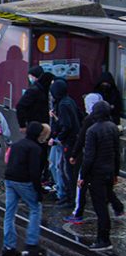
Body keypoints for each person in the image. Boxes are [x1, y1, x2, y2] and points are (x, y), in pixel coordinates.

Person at [2, 121, 49, 256]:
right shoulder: (35, 148)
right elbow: (34, 172)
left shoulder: (17, 145)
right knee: (35, 208)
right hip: (24, 181)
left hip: (10, 179)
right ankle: (31, 243)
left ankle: (9, 246)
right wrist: (38, 190)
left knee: (9, 212)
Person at [79, 100, 121, 251]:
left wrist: (83, 176)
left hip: (96, 173)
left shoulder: (92, 131)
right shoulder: (113, 128)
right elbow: (117, 153)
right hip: (109, 171)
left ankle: (103, 239)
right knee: (105, 201)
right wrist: (115, 173)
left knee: (100, 207)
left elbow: (88, 157)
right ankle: (104, 237)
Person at [48, 78, 80, 206]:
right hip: (70, 140)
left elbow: (66, 125)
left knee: (64, 169)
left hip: (67, 141)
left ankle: (69, 197)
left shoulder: (63, 104)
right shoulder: (68, 101)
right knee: (61, 168)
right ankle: (66, 195)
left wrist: (58, 138)